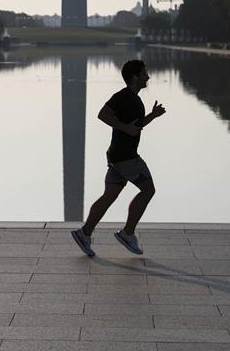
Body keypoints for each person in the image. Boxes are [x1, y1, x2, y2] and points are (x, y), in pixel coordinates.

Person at [71, 59, 166, 257]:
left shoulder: (134, 99)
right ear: (135, 77)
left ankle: (84, 233)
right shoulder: (123, 97)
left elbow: (135, 127)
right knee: (148, 190)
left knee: (110, 195)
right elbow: (102, 114)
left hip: (117, 157)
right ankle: (127, 233)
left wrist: (152, 116)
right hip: (126, 158)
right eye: (144, 73)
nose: (148, 77)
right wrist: (124, 127)